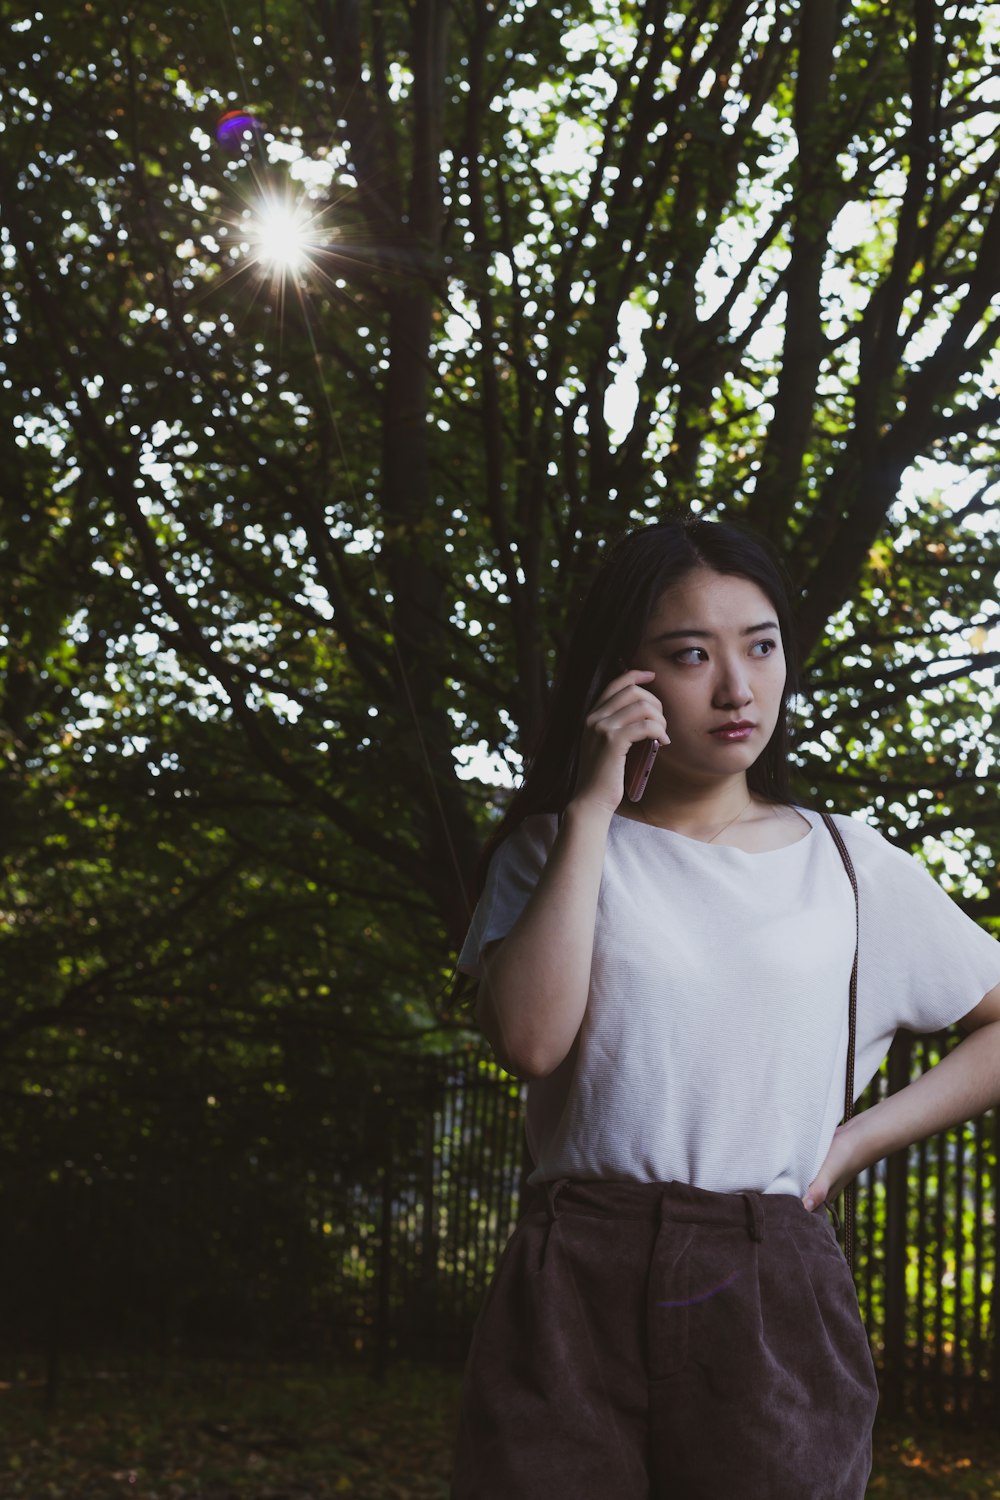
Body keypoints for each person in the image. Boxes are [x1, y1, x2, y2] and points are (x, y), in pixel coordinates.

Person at [449, 512, 1000, 1500]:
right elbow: (530, 1042)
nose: (738, 687)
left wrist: (854, 1142)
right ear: (627, 677)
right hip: (573, 1273)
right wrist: (588, 808)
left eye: (760, 646)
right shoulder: (552, 852)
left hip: (767, 1276)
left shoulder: (850, 866)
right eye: (690, 654)